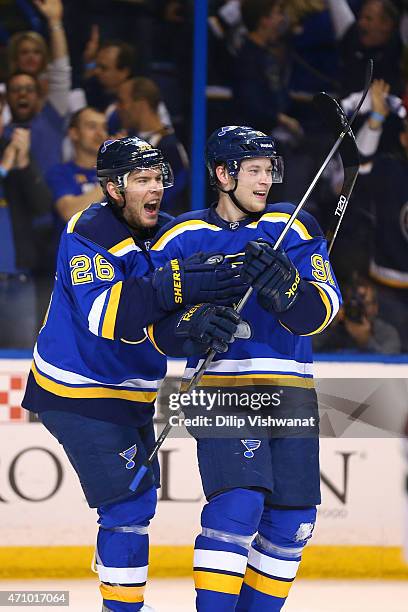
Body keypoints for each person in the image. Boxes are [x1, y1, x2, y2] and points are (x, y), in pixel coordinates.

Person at [21, 135, 246, 612]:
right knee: (128, 507)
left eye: (159, 178)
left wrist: (199, 320)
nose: (156, 188)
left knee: (134, 506)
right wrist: (177, 283)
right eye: (142, 179)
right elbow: (107, 316)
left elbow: (164, 323)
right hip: (77, 391)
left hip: (131, 395)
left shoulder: (167, 234)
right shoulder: (88, 230)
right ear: (113, 188)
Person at [148, 126, 342, 611]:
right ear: (222, 173)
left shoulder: (294, 227)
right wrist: (195, 323)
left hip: (291, 393)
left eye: (269, 171)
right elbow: (153, 326)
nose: (265, 181)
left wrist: (287, 290)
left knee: (293, 523)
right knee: (238, 506)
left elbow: (325, 309)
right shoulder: (181, 235)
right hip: (221, 389)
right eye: (253, 170)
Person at [0, 123, 54, 348]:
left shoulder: (12, 149)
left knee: (20, 364)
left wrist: (23, 165)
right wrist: (4, 166)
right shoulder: (7, 157)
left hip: (18, 283)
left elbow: (42, 207)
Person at [117, 77, 189, 215]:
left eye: (122, 102)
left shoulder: (170, 148)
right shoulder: (127, 141)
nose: (118, 108)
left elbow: (173, 196)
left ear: (141, 105)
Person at [46, 107, 107, 229]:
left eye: (104, 128)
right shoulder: (60, 172)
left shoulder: (120, 173)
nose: (100, 133)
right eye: (92, 126)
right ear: (74, 133)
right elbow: (69, 212)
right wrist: (111, 179)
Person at [313, 277, 401, 354]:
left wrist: (366, 341)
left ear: (375, 307)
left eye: (365, 304)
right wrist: (330, 323)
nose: (359, 310)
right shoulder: (334, 327)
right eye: (353, 305)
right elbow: (307, 349)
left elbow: (392, 365)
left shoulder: (387, 332)